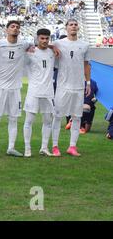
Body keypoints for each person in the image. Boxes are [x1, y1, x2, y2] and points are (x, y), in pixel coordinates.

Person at [0, 21, 35, 157]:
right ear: (6, 30)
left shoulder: (23, 44)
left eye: (17, 27)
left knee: (13, 118)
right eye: (12, 27)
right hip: (0, 87)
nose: (15, 29)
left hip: (15, 88)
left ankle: (11, 147)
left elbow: (39, 43)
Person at [52, 19, 91, 157]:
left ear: (78, 28)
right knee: (57, 116)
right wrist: (52, 48)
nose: (73, 26)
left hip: (79, 86)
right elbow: (43, 44)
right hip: (63, 85)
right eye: (71, 25)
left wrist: (88, 83)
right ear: (66, 28)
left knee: (77, 117)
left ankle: (72, 147)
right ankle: (54, 146)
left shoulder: (85, 45)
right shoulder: (58, 43)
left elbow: (86, 65)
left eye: (75, 24)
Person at [22, 28, 55, 157]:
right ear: (37, 38)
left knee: (48, 121)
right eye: (42, 38)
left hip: (48, 92)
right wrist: (29, 46)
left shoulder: (52, 52)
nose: (45, 41)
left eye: (47, 38)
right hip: (34, 92)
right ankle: (27, 148)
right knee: (29, 121)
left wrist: (53, 46)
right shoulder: (30, 52)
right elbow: (19, 46)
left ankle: (44, 147)